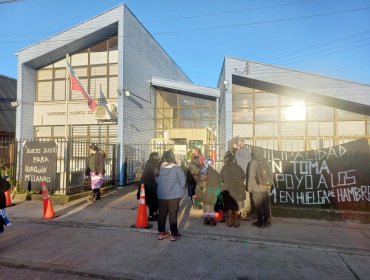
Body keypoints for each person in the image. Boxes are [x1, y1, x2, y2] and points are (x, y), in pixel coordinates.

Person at [155, 150, 186, 241]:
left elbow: (156, 181)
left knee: (162, 215)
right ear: (172, 157)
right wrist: (179, 190)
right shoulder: (176, 168)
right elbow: (183, 181)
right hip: (174, 196)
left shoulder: (159, 168)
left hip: (161, 195)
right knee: (173, 215)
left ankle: (161, 233)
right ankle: (174, 234)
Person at [247, 146, 272, 228]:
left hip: (256, 187)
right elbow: (270, 173)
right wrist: (270, 184)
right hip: (265, 186)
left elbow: (251, 176)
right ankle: (266, 221)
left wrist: (249, 188)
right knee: (265, 204)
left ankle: (261, 222)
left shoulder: (253, 162)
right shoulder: (266, 161)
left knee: (258, 205)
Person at [220, 153, 246, 227]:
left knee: (229, 207)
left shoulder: (224, 168)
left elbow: (221, 179)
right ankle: (236, 222)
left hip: (228, 192)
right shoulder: (239, 168)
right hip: (238, 191)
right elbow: (244, 177)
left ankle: (229, 222)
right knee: (236, 208)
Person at [137, 152, 160, 221]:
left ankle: (154, 213)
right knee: (152, 199)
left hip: (146, 183)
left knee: (152, 199)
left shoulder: (149, 163)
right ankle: (151, 215)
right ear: (155, 157)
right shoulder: (152, 165)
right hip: (148, 184)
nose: (159, 157)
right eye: (157, 156)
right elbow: (155, 175)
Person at [200, 159, 222, 226]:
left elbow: (200, 184)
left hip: (205, 193)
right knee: (212, 206)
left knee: (206, 206)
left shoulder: (203, 172)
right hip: (214, 193)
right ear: (211, 164)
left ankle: (206, 220)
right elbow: (220, 184)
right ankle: (212, 221)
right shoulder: (216, 173)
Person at [235, 139, 252, 220]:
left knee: (240, 196)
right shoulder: (248, 153)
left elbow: (235, 160)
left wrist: (237, 150)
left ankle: (240, 212)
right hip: (246, 179)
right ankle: (246, 212)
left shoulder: (238, 153)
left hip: (239, 179)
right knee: (247, 196)